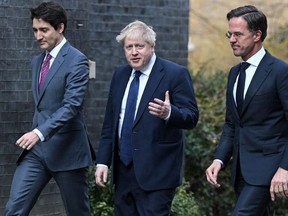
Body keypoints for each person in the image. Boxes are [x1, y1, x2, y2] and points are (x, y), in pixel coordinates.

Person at [95, 20, 198, 216]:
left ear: (152, 47)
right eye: (129, 47)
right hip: (123, 172)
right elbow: (110, 123)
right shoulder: (120, 75)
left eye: (139, 46)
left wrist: (169, 113)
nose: (134, 52)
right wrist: (102, 162)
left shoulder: (174, 74)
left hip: (157, 175)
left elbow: (192, 117)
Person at [4, 1, 95, 216]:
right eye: (35, 30)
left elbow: (72, 106)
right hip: (37, 153)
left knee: (78, 212)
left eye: (44, 30)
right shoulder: (37, 61)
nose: (38, 36)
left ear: (60, 28)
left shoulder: (77, 61)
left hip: (67, 151)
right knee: (14, 209)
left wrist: (38, 132)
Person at [205, 5, 288, 216]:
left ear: (257, 35)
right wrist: (219, 160)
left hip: (268, 169)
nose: (232, 39)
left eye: (238, 34)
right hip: (241, 172)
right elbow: (232, 124)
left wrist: (285, 168)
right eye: (229, 34)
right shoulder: (234, 73)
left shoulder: (280, 71)